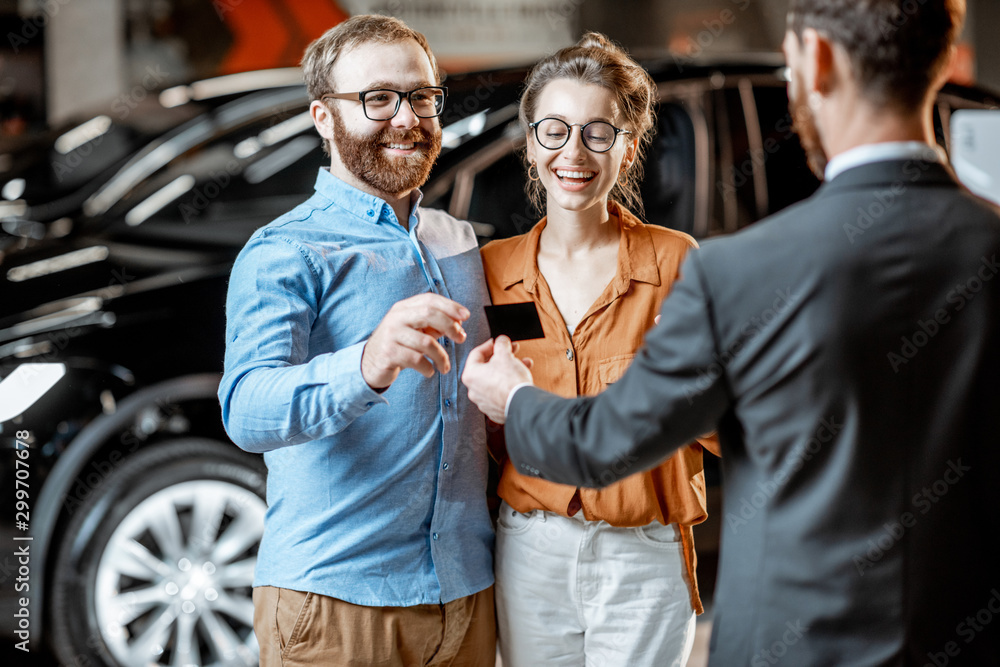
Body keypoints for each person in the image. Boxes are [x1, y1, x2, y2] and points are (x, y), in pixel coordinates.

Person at [462, 0, 1000, 664]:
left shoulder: (728, 269)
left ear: (817, 59)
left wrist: (514, 398)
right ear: (947, 59)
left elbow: (605, 441)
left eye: (596, 132)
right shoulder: (492, 269)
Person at [218, 15, 495, 667]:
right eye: (377, 98)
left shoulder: (457, 242)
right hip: (337, 604)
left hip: (467, 594)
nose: (406, 117)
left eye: (422, 96)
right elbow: (247, 409)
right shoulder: (286, 250)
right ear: (322, 116)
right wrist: (366, 364)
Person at [480, 32, 719, 667]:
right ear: (531, 144)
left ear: (629, 147)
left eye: (598, 132)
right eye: (554, 130)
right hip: (529, 549)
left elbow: (725, 427)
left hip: (642, 552)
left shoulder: (675, 262)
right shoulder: (491, 271)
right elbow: (480, 429)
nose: (574, 152)